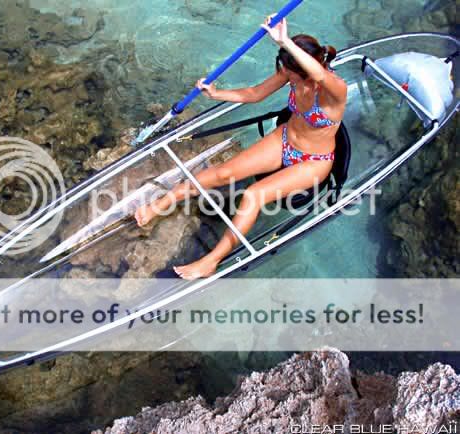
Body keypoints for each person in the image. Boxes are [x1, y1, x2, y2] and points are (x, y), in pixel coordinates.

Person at [135, 16, 348, 280]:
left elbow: (318, 74)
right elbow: (254, 94)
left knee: (253, 195)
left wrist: (283, 41)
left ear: (304, 67)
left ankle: (211, 261)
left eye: (289, 72)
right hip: (284, 140)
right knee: (223, 173)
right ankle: (162, 202)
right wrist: (215, 94)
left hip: (313, 161)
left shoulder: (335, 89)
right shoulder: (291, 74)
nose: (285, 76)